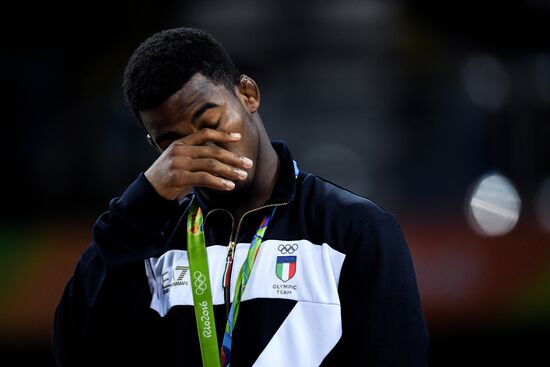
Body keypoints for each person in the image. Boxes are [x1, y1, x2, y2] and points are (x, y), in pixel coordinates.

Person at [53, 27, 429, 366]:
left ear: (248, 94)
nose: (203, 147)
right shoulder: (147, 245)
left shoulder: (353, 229)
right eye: (174, 143)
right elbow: (76, 353)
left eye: (210, 123)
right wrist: (139, 205)